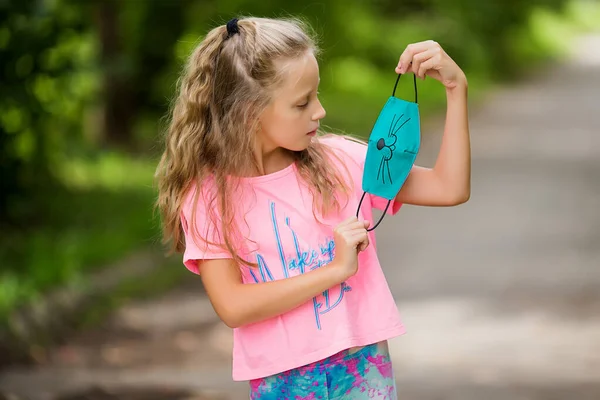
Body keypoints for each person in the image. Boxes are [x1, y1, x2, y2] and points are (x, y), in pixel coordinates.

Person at [155, 16, 470, 400]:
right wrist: (335, 270)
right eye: (302, 103)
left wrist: (456, 89)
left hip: (361, 369)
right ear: (249, 112)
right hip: (282, 383)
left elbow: (448, 187)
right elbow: (233, 306)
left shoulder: (341, 161)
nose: (319, 111)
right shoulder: (209, 197)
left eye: (316, 95)